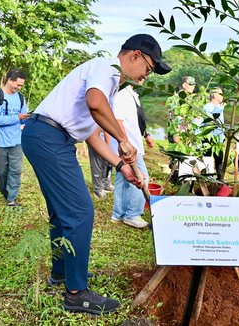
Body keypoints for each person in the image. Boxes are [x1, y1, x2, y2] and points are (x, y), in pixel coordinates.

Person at [21, 34, 171, 315]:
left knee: (62, 212)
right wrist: (123, 140)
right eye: (148, 69)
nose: (146, 77)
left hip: (50, 137)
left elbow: (91, 133)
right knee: (80, 212)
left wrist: (121, 165)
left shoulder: (108, 84)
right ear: (135, 56)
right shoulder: (106, 68)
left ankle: (62, 273)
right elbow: (95, 103)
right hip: (49, 136)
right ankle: (76, 294)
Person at [110, 79, 149, 228]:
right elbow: (118, 121)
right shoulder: (122, 94)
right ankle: (132, 214)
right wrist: (124, 144)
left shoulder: (131, 93)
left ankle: (118, 214)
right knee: (141, 177)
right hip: (129, 148)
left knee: (122, 179)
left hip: (131, 145)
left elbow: (136, 121)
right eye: (140, 76)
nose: (143, 78)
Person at [0, 68, 29, 207]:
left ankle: (12, 199)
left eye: (21, 85)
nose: (19, 88)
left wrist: (29, 118)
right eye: (18, 84)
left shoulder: (21, 98)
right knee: (1, 172)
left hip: (16, 141)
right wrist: (16, 117)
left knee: (16, 170)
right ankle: (6, 193)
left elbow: (23, 120)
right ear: (10, 80)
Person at [203, 88, 225, 180]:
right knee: (207, 157)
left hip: (219, 138)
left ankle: (220, 178)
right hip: (209, 137)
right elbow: (211, 121)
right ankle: (208, 177)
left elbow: (221, 123)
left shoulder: (220, 107)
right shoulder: (207, 107)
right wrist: (219, 109)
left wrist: (223, 136)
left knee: (219, 158)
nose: (222, 96)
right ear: (215, 95)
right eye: (221, 94)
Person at [88, 129, 114, 198]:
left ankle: (106, 184)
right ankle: (98, 189)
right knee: (97, 165)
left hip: (107, 140)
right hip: (96, 140)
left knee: (108, 163)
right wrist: (108, 145)